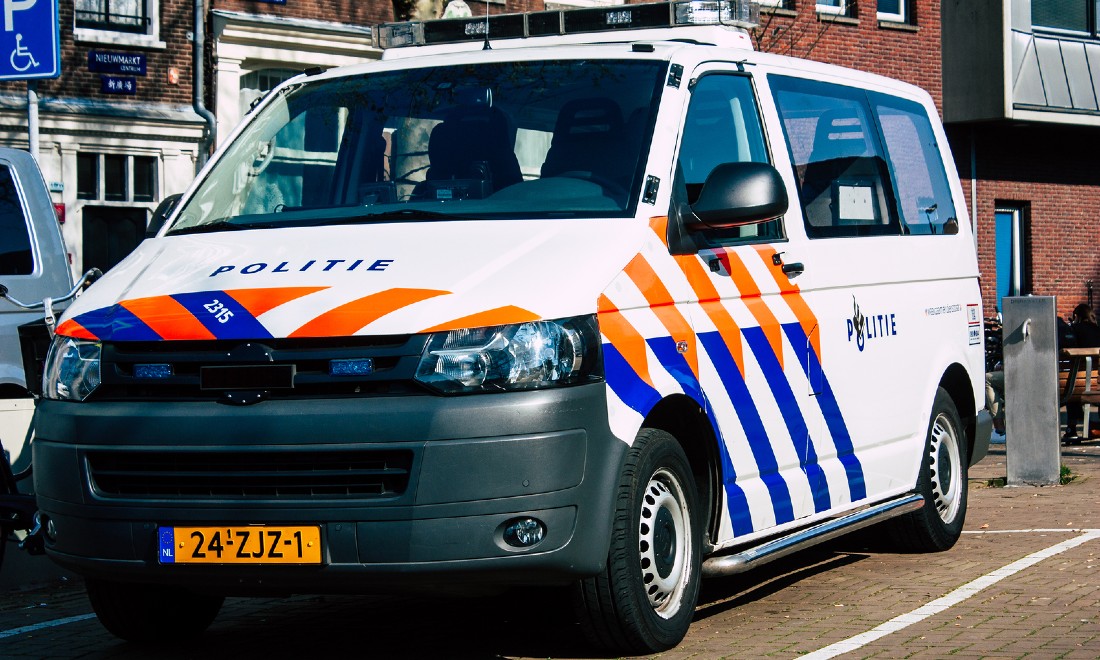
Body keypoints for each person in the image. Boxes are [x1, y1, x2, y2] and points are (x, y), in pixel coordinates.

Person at [1063, 303, 1100, 442]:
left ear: (1077, 316)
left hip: (1079, 384)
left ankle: (1071, 428)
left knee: (1072, 385)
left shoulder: (1074, 330)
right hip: (1098, 383)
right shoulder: (1098, 330)